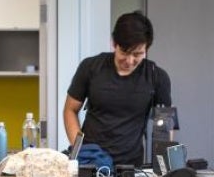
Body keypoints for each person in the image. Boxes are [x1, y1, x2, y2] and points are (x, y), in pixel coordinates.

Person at [64, 10, 172, 168]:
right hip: (90, 163)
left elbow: (164, 128)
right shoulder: (90, 67)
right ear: (114, 43)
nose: (129, 61)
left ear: (147, 49)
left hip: (130, 167)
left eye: (138, 54)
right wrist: (80, 150)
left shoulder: (158, 77)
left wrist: (163, 170)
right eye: (125, 53)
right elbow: (70, 110)